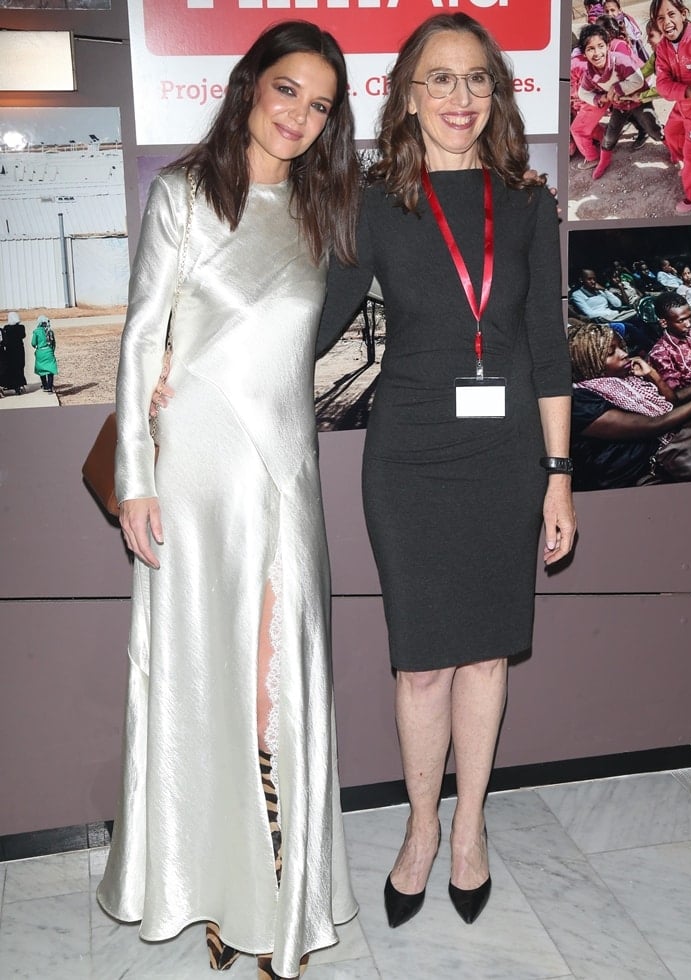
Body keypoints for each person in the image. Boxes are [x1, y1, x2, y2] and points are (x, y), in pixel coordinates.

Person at [96, 21, 360, 979]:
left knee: (276, 685)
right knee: (212, 685)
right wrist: (134, 475)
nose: (299, 115)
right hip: (198, 476)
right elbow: (138, 340)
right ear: (252, 85)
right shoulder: (180, 195)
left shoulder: (325, 207)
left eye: (322, 104)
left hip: (286, 472)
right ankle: (226, 885)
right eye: (288, 90)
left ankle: (276, 889)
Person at [317, 12, 576, 930]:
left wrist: (558, 475)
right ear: (409, 93)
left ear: (496, 96)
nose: (461, 98)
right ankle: (421, 829)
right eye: (441, 79)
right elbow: (315, 324)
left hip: (507, 458)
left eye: (477, 80)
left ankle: (471, 829)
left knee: (487, 652)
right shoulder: (375, 200)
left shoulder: (531, 204)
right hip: (411, 458)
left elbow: (548, 347)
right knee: (424, 663)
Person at [569, 320, 691, 488]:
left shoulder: (627, 380)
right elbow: (656, 424)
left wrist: (653, 375)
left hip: (666, 454)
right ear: (587, 362)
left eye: (621, 347)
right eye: (610, 353)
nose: (623, 354)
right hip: (640, 475)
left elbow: (672, 404)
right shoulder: (580, 402)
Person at [572, 24, 663, 179]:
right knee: (609, 136)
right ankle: (603, 162)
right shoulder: (589, 72)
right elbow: (582, 92)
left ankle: (674, 151)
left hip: (638, 101)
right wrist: (599, 98)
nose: (596, 53)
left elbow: (637, 80)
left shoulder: (620, 60)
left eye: (600, 46)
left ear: (608, 46)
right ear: (584, 53)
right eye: (590, 49)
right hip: (619, 106)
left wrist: (617, 89)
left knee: (653, 129)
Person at [651, 0, 691, 213]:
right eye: (660, 18)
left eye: (671, 14)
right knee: (671, 132)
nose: (667, 22)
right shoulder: (662, 47)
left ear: (683, 13)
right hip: (683, 105)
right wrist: (684, 91)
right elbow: (662, 83)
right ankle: (690, 168)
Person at [648, 291, 691, 389]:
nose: (689, 324)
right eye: (681, 320)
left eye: (689, 317)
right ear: (664, 322)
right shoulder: (660, 354)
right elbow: (676, 394)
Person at [1, 311, 27, 395]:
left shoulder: (6, 328)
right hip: (19, 350)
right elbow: (23, 335)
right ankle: (19, 385)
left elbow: (4, 340)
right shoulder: (21, 327)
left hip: (9, 351)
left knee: (11, 368)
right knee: (19, 367)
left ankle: (11, 385)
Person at [31, 315, 58, 393]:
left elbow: (33, 343)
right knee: (50, 370)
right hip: (49, 352)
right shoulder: (50, 331)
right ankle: (50, 386)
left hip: (40, 352)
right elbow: (54, 343)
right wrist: (51, 351)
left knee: (41, 369)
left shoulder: (36, 331)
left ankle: (45, 385)